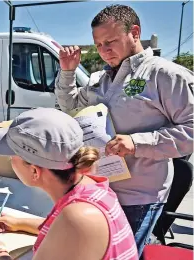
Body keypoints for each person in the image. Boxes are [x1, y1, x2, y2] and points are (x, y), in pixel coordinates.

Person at [54, 4, 193, 256]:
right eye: (98, 45)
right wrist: (67, 72)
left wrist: (137, 142)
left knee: (120, 254)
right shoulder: (101, 79)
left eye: (110, 42)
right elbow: (70, 105)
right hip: (101, 187)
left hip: (139, 195)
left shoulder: (166, 75)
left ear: (135, 33)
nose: (104, 51)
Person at [0, 108, 137, 260]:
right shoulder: (90, 188)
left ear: (35, 171)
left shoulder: (79, 217)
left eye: (11, 156)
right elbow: (61, 231)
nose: (10, 160)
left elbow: (74, 228)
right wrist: (19, 223)